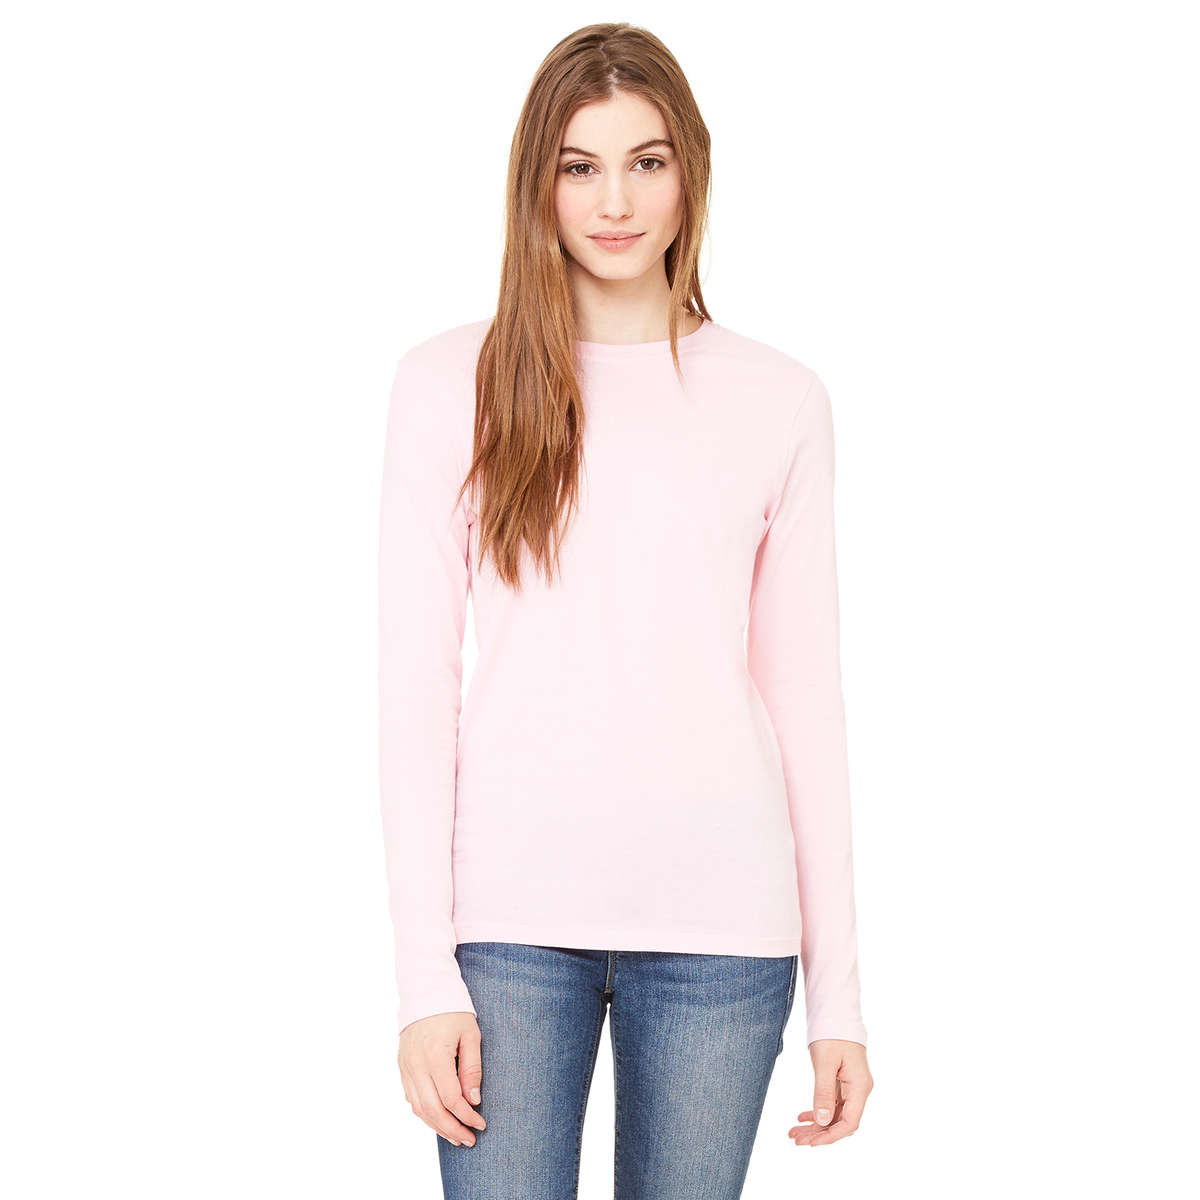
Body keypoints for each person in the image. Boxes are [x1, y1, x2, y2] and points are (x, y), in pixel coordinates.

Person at [378, 22, 874, 1199]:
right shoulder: (450, 383)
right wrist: (424, 980)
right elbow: (413, 692)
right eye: (580, 165)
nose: (615, 202)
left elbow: (807, 707)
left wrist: (840, 1002)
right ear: (536, 182)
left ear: (689, 170)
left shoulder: (779, 400)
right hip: (507, 930)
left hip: (724, 935)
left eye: (646, 162)